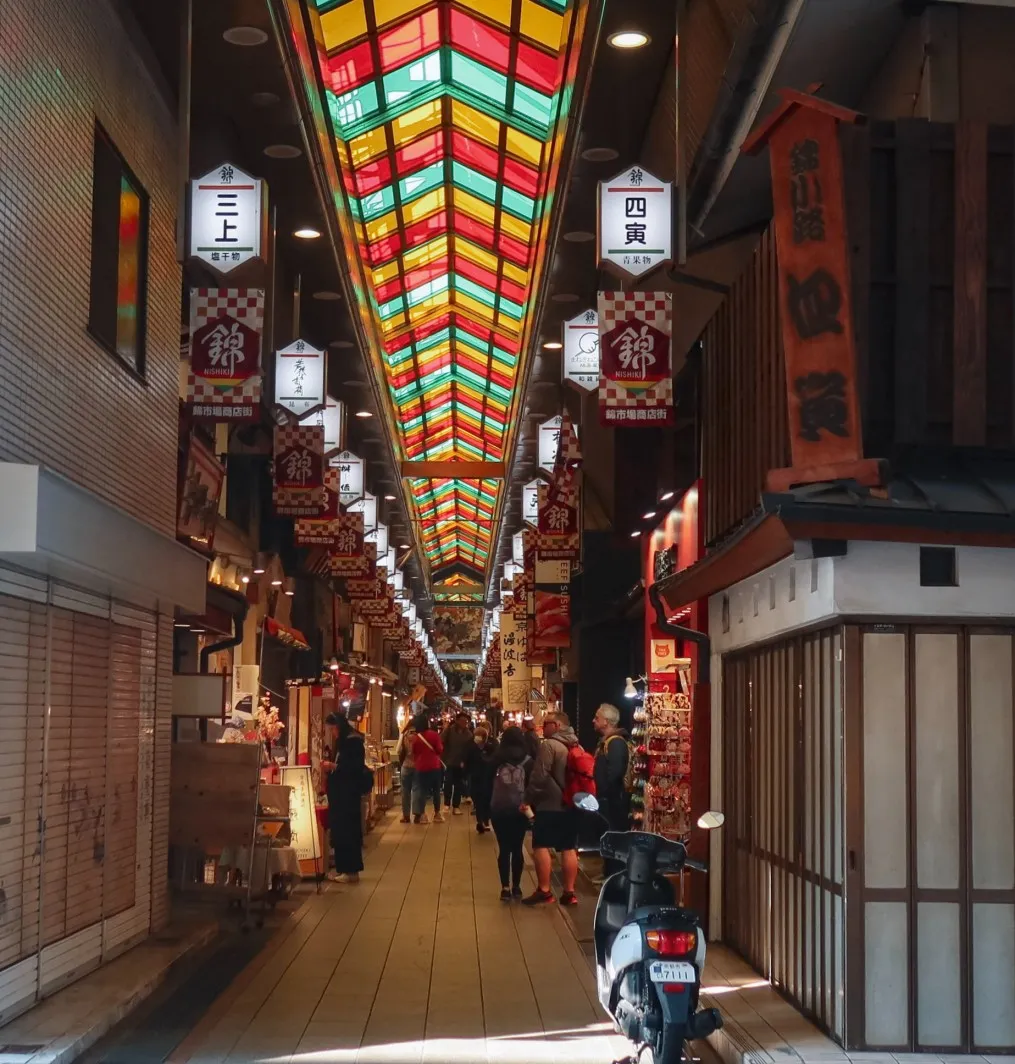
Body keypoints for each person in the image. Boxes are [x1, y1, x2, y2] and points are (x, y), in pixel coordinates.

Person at [522, 710, 582, 907]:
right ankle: (569, 893)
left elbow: (539, 776)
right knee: (568, 847)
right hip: (571, 803)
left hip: (550, 804)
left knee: (541, 845)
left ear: (557, 726)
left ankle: (544, 890)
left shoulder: (549, 745)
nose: (543, 726)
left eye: (546, 723)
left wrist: (527, 799)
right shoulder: (577, 745)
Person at [321, 713, 365, 883]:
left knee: (347, 832)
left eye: (333, 729)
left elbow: (353, 768)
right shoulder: (344, 742)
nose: (333, 733)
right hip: (342, 795)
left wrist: (333, 766)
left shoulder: (352, 742)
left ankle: (350, 870)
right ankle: (346, 870)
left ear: (339, 726)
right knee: (343, 832)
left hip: (347, 796)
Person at [489, 726, 531, 901]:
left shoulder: (496, 759)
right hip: (520, 810)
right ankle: (517, 887)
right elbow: (533, 786)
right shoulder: (528, 760)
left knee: (504, 848)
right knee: (517, 847)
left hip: (499, 809)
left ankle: (505, 888)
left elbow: (487, 783)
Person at [593, 702, 632, 877]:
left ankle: (614, 875)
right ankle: (609, 872)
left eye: (597, 718)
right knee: (608, 837)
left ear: (607, 722)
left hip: (614, 801)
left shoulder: (615, 743)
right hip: (609, 800)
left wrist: (604, 793)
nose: (593, 720)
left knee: (614, 837)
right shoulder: (608, 742)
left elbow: (615, 772)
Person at [410, 713, 445, 824]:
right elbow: (439, 750)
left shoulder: (416, 737)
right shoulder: (434, 735)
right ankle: (437, 814)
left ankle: (422, 815)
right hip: (434, 766)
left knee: (422, 791)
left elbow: (414, 752)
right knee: (436, 791)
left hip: (421, 767)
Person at [440, 711, 474, 815]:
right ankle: (446, 804)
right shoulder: (449, 731)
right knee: (448, 783)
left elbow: (470, 749)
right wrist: (443, 757)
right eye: (463, 721)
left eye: (466, 721)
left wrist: (466, 761)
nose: (465, 723)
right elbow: (441, 741)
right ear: (457, 721)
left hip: (461, 763)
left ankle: (456, 806)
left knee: (459, 785)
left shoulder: (468, 734)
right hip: (449, 762)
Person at [468, 725, 498, 834]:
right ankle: (480, 821)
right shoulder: (471, 745)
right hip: (475, 777)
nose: (476, 737)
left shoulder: (492, 744)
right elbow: (467, 759)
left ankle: (484, 820)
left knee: (486, 799)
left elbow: (495, 758)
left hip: (487, 777)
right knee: (478, 800)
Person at [394, 716, 418, 824]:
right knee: (417, 791)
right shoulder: (420, 736)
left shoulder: (404, 734)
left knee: (405, 792)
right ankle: (417, 815)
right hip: (418, 766)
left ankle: (406, 816)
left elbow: (398, 750)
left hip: (406, 766)